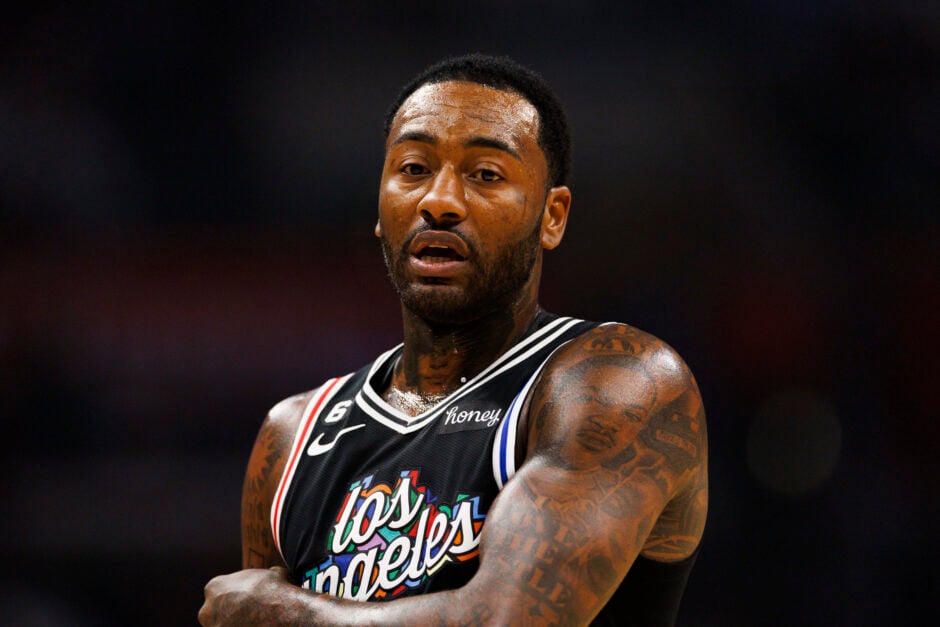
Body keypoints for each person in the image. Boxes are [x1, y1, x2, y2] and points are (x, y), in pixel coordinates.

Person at [199, 53, 708, 626]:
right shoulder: (292, 434)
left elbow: (508, 620)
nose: (437, 201)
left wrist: (289, 614)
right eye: (413, 168)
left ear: (552, 216)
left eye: (485, 175)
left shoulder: (622, 383)